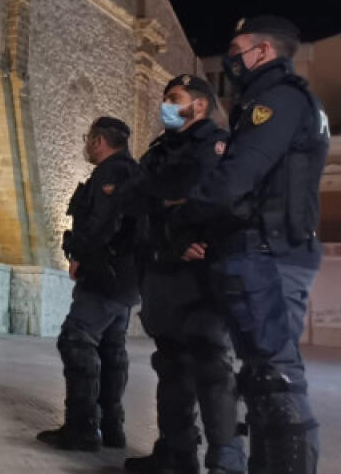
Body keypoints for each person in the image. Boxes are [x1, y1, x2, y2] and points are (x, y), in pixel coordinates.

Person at [179, 16, 329, 473]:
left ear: (262, 51)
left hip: (267, 252)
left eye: (237, 48)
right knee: (266, 380)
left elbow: (237, 178)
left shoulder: (277, 100)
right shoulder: (287, 101)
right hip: (270, 250)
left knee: (275, 379)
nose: (231, 58)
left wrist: (183, 218)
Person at [124, 75, 245, 474]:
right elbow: (133, 197)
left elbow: (209, 198)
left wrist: (163, 200)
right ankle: (176, 456)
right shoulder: (161, 150)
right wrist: (165, 205)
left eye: (175, 99)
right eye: (164, 98)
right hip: (162, 269)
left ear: (201, 105)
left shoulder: (217, 144)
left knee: (210, 365)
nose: (166, 105)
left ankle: (225, 463)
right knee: (171, 365)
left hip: (201, 271)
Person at [38, 117, 141, 452]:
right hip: (124, 279)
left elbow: (102, 223)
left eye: (88, 139)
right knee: (112, 348)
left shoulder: (111, 174)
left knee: (76, 340)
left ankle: (82, 428)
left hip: (104, 274)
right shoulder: (133, 172)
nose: (86, 144)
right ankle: (111, 428)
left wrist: (80, 254)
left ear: (99, 141)